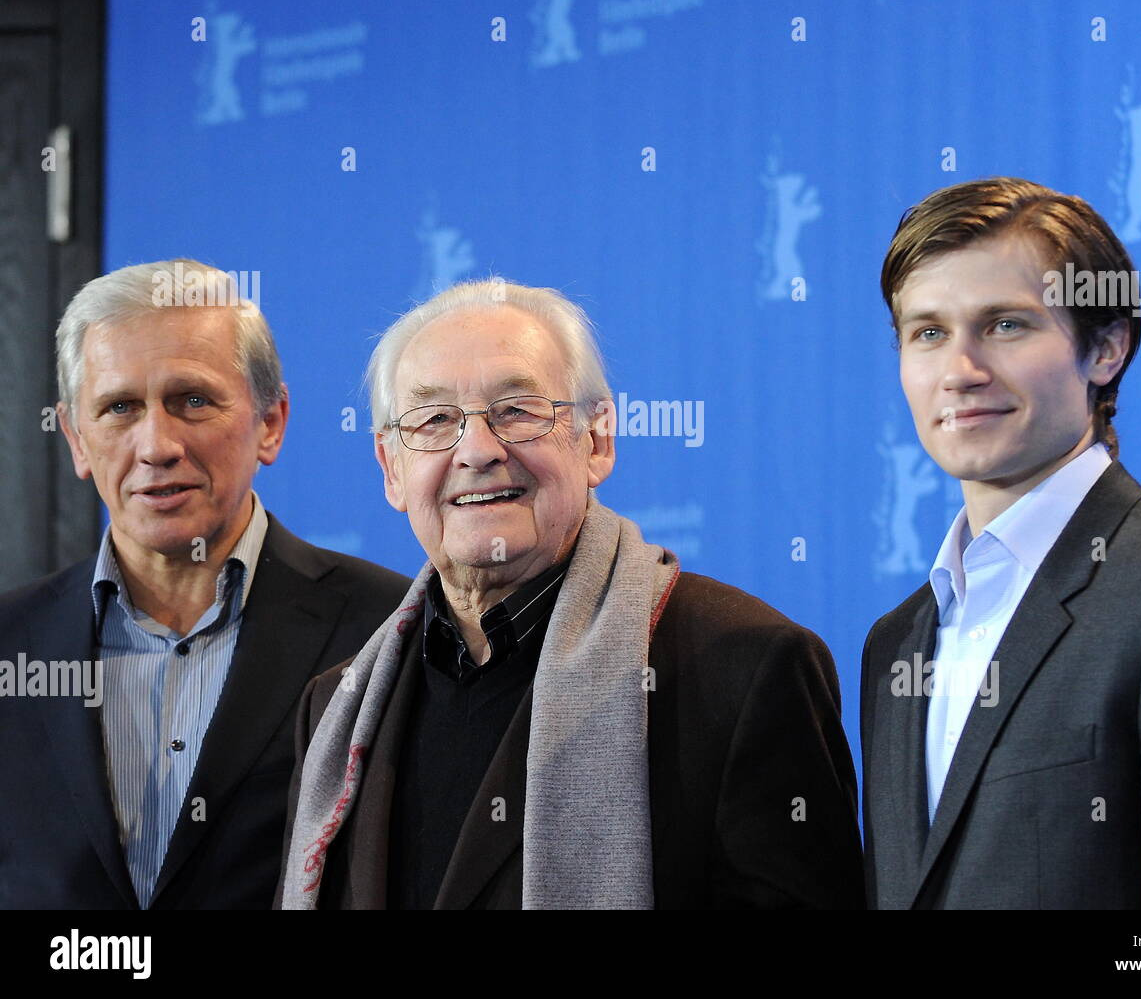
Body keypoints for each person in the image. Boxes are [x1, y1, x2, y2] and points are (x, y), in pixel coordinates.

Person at [277, 279, 863, 909]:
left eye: (517, 410)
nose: (476, 450)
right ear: (391, 467)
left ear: (596, 440)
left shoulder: (745, 668)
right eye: (435, 419)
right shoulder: (336, 707)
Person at [860, 177, 1141, 909]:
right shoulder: (895, 644)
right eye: (929, 332)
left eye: (1005, 325)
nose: (961, 372)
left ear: (1105, 349)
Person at [0, 260, 410, 909]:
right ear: (77, 438)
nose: (156, 444)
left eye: (192, 400)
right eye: (119, 407)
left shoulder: (388, 630)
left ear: (270, 422)